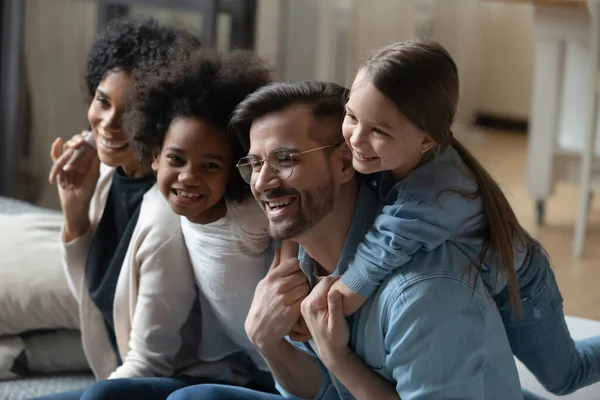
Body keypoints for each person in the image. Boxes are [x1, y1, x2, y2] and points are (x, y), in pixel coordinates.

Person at [167, 81, 523, 399]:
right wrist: (267, 342)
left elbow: (338, 379)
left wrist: (339, 360)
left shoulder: (424, 293)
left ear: (343, 163)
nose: (261, 183)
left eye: (284, 159)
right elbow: (323, 391)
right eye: (255, 164)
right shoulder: (303, 259)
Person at [329, 40, 600, 396]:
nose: (356, 138)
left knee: (566, 376)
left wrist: (318, 317)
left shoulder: (436, 198)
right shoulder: (393, 158)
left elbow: (363, 274)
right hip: (476, 283)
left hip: (522, 288)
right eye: (351, 116)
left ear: (426, 140)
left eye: (379, 131)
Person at [31, 18, 207, 400]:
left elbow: (149, 364)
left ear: (160, 118)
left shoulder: (167, 215)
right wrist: (75, 215)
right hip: (125, 375)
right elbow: (95, 303)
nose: (108, 124)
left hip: (181, 383)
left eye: (129, 112)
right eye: (102, 101)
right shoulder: (107, 175)